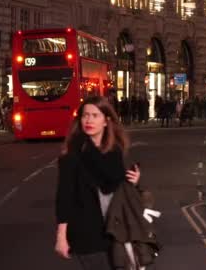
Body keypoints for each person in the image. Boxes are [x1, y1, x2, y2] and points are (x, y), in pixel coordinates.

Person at [54, 96, 141, 270]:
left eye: (95, 115)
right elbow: (64, 196)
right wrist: (61, 236)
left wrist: (133, 182)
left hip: (116, 230)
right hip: (86, 232)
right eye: (85, 115)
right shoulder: (72, 154)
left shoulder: (114, 151)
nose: (89, 120)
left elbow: (119, 188)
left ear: (106, 121)